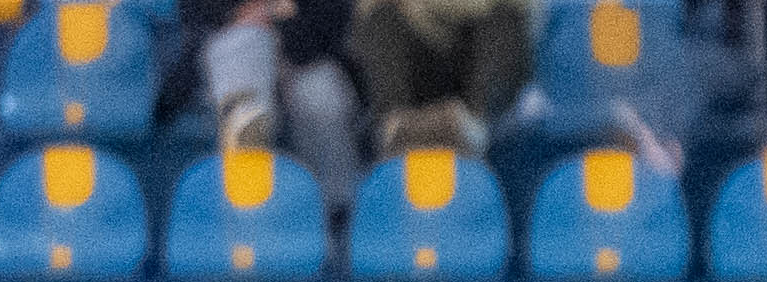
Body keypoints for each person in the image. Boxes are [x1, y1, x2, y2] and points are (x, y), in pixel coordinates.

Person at [172, 0, 367, 208]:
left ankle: (336, 209)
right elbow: (196, 12)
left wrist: (278, 20)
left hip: (303, 55)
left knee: (321, 93)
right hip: (235, 45)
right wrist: (238, 15)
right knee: (245, 44)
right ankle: (247, 182)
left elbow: (331, 20)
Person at [348, 0, 530, 155]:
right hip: (416, 56)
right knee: (380, 14)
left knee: (502, 18)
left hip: (474, 51)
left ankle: (471, 125)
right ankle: (395, 124)